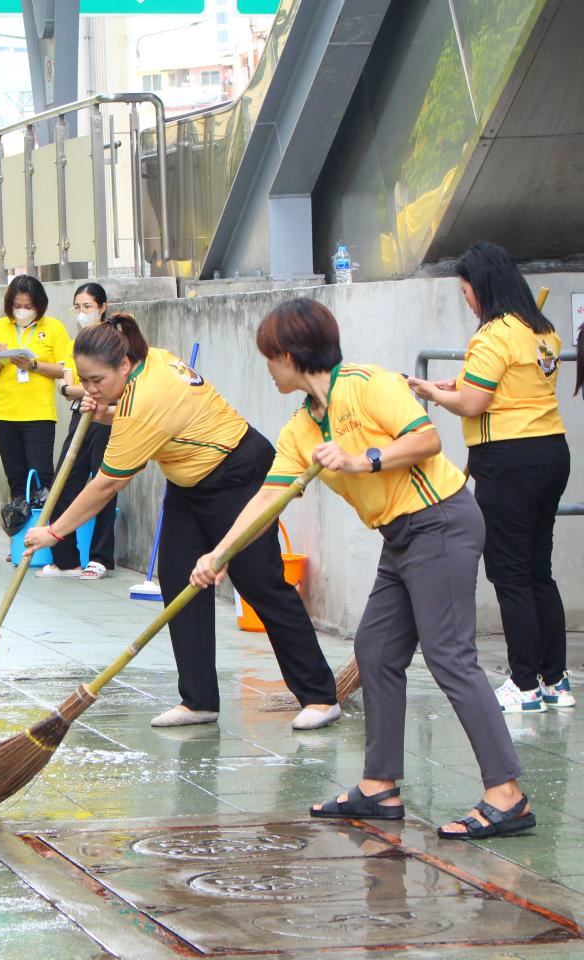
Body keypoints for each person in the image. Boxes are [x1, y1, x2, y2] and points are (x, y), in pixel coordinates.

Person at [193, 297, 532, 839]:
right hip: (399, 538)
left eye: (268, 358)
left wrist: (361, 460)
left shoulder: (367, 382)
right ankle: (380, 785)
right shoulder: (303, 428)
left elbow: (427, 439)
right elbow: (266, 500)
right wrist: (218, 555)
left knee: (449, 656)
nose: (267, 368)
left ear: (287, 354)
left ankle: (506, 794)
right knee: (376, 652)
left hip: (439, 521)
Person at [24, 314, 340, 730]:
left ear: (123, 365)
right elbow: (151, 424)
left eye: (97, 380)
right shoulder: (149, 359)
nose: (91, 389)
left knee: (260, 583)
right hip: (190, 480)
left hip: (237, 472)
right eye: (85, 380)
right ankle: (199, 700)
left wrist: (54, 531)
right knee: (178, 580)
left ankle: (320, 696)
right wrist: (103, 410)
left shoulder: (146, 398)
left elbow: (106, 484)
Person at [409, 242, 572, 713]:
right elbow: (501, 390)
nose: (468, 303)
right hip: (550, 454)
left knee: (509, 573)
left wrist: (431, 393)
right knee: (538, 570)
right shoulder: (541, 331)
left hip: (508, 462)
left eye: (466, 294)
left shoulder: (492, 335)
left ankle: (522, 686)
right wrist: (454, 387)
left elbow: (474, 403)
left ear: (483, 288)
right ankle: (556, 681)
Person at [39, 282, 119, 580]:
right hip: (81, 415)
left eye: (88, 306)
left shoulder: (112, 341)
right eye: (78, 307)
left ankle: (99, 558)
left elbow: (75, 385)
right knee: (64, 482)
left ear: (102, 307)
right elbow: (71, 383)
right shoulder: (78, 341)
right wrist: (71, 389)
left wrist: (70, 388)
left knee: (104, 483)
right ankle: (65, 560)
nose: (82, 312)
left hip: (106, 417)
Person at [0, 275, 71, 502]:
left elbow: (63, 370)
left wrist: (33, 365)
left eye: (28, 306)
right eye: (17, 306)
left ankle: (41, 530)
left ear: (39, 305)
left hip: (38, 414)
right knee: (16, 479)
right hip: (3, 415)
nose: (21, 311)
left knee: (40, 478)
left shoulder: (53, 328)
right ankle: (21, 534)